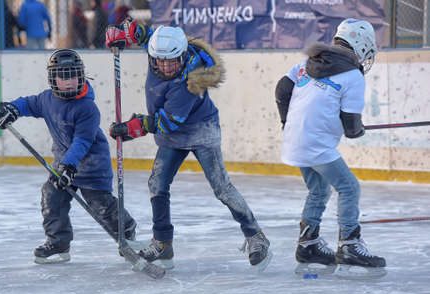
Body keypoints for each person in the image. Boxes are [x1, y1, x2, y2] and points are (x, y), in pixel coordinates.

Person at [105, 20, 272, 271]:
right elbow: (146, 35)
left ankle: (256, 236)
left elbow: (168, 122)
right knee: (157, 184)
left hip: (201, 130)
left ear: (182, 56)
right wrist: (126, 33)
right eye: (159, 61)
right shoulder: (162, 49)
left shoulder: (190, 81)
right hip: (172, 134)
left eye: (171, 62)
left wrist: (133, 128)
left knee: (222, 188)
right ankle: (162, 243)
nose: (165, 66)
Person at [0, 49, 137, 264]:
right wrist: (13, 109)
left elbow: (82, 142)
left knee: (102, 207)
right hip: (63, 164)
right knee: (51, 197)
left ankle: (126, 231)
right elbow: (29, 103)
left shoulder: (87, 108)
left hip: (92, 167)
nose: (68, 81)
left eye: (73, 75)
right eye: (63, 76)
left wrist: (69, 166)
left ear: (81, 75)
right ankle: (58, 244)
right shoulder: (47, 99)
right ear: (53, 78)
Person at [275, 18, 386, 275]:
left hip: (293, 140)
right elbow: (351, 127)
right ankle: (349, 244)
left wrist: (287, 121)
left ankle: (308, 244)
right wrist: (357, 129)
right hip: (316, 146)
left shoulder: (306, 63)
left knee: (319, 190)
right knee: (349, 187)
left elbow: (282, 89)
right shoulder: (352, 76)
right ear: (360, 46)